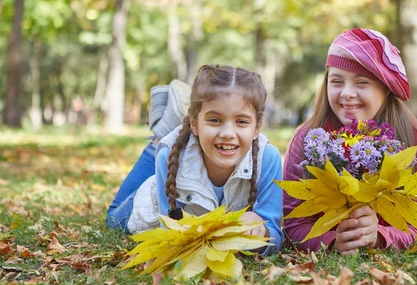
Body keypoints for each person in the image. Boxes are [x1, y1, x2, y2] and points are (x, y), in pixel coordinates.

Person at [283, 28, 417, 255]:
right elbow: (291, 224)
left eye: (361, 82)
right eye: (336, 81)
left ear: (386, 88)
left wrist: (381, 236)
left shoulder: (412, 141)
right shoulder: (307, 139)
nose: (347, 93)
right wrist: (331, 241)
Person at [106, 64, 284, 254]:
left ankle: (167, 131)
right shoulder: (170, 156)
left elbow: (275, 233)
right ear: (194, 123)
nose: (227, 133)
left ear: (257, 127)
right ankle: (158, 141)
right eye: (215, 120)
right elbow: (170, 231)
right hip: (155, 199)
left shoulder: (268, 158)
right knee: (112, 219)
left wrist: (260, 231)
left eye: (241, 121)